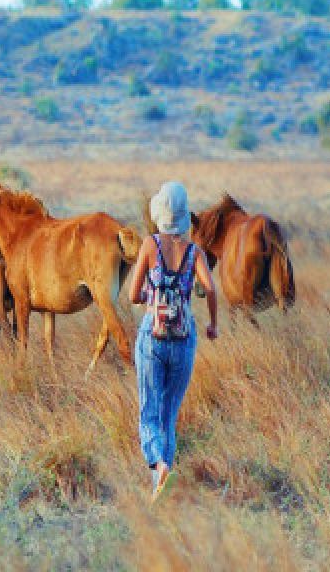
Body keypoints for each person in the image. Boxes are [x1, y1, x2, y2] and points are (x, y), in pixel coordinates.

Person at [129, 181, 218, 502]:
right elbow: (210, 289)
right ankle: (161, 487)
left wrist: (147, 297)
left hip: (152, 336)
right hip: (183, 339)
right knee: (168, 414)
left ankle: (159, 465)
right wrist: (213, 324)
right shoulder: (195, 252)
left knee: (149, 412)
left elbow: (132, 294)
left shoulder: (150, 245)